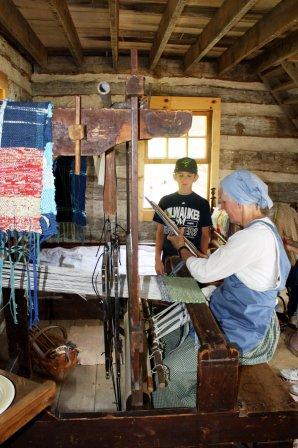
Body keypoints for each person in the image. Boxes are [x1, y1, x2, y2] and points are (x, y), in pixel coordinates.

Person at [153, 169, 291, 408]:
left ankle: (190, 417)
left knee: (171, 371)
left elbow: (203, 273)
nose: (224, 208)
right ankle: (177, 401)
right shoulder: (265, 230)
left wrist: (181, 246)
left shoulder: (252, 237)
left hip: (244, 330)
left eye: (225, 203)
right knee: (167, 336)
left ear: (240, 201)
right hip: (241, 317)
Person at [153, 157, 212, 275]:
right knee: (170, 290)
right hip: (169, 257)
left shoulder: (202, 203)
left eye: (189, 175)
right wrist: (157, 260)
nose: (184, 179)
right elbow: (160, 232)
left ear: (195, 177)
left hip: (192, 257)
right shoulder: (165, 201)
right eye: (180, 175)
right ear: (174, 176)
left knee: (191, 290)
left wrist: (202, 258)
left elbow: (205, 235)